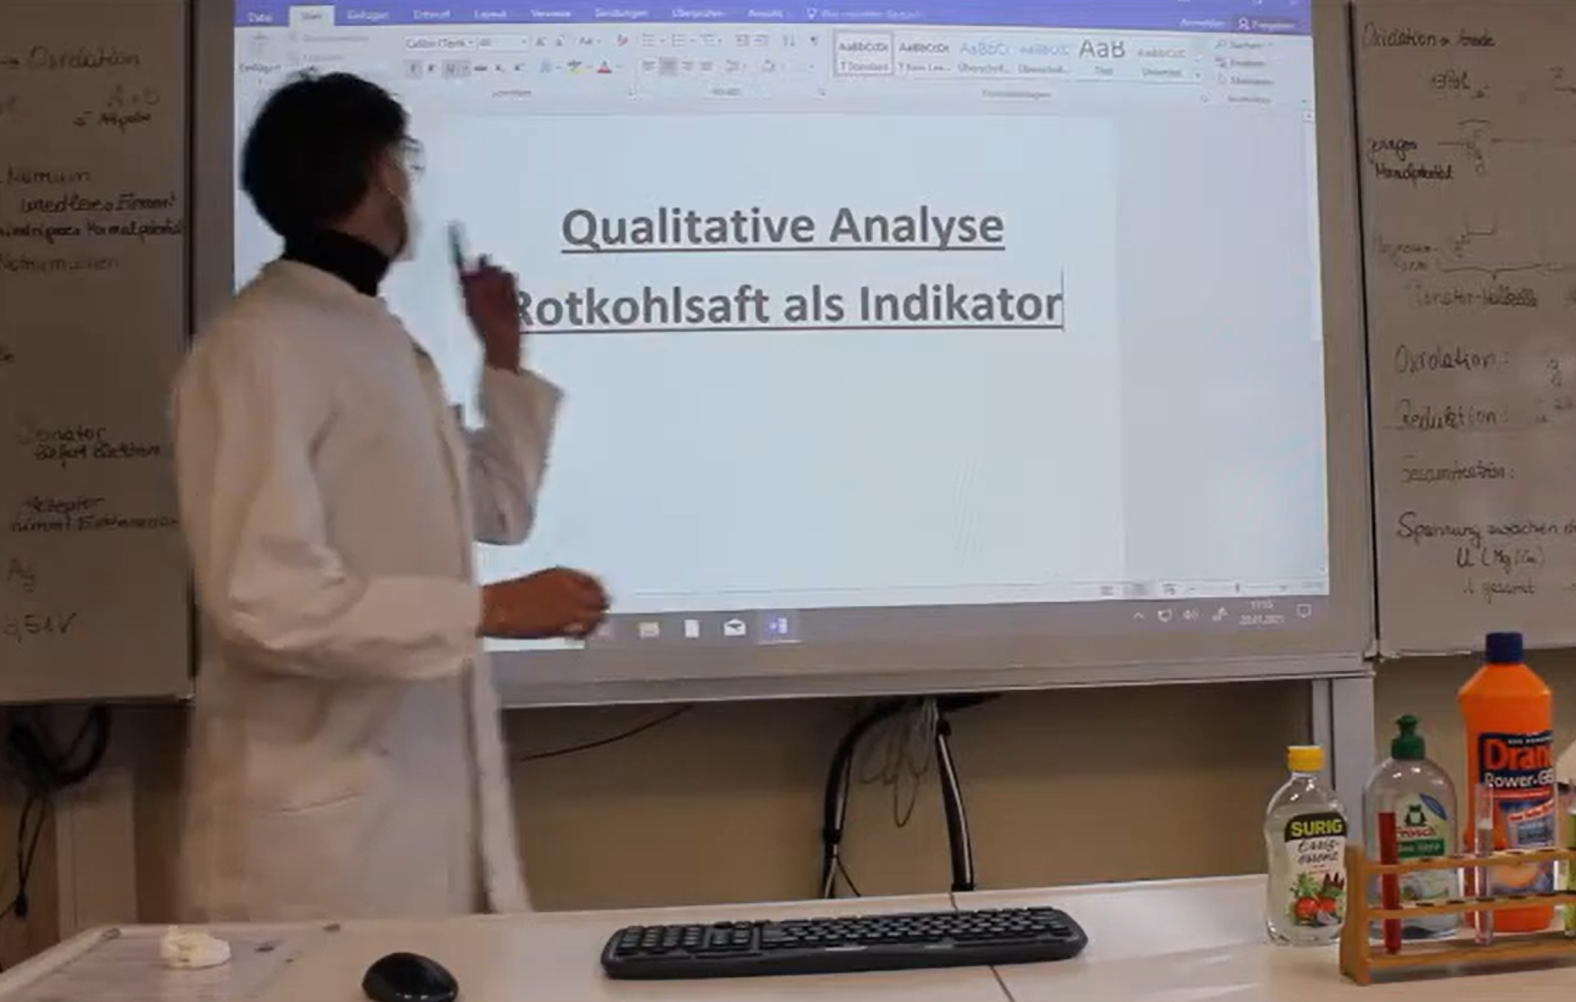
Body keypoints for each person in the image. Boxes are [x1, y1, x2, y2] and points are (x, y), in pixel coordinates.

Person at [168, 71, 608, 922]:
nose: (409, 183)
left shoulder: (376, 339)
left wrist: (503, 359)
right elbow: (265, 600)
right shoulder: (254, 347)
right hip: (317, 847)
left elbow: (496, 509)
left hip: (415, 809)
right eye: (402, 161)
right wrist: (488, 610)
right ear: (376, 174)